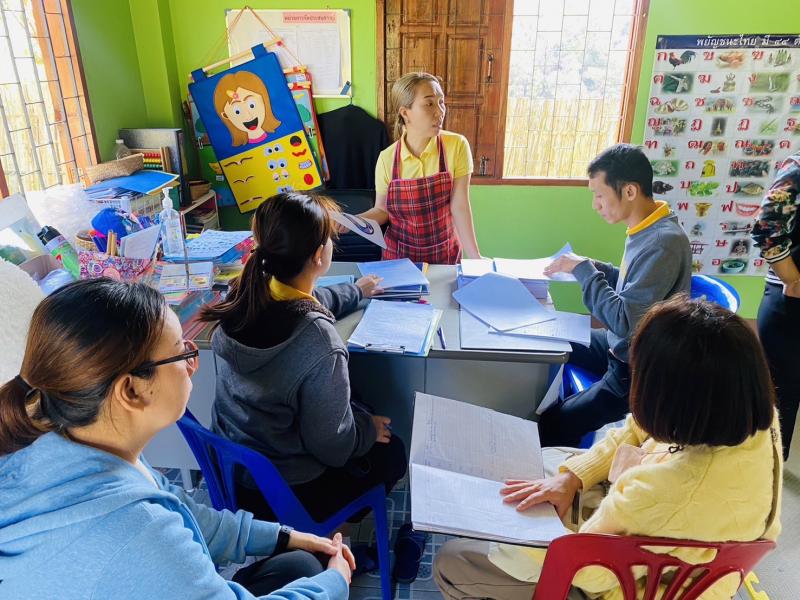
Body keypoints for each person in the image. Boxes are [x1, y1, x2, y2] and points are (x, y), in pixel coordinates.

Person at [0, 278, 353, 600]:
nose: (192, 364)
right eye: (181, 352)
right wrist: (336, 582)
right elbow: (158, 531)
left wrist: (282, 536)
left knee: (299, 564)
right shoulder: (139, 534)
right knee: (313, 573)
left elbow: (180, 508)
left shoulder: (63, 439)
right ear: (131, 390)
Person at [433, 296, 782, 600]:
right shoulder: (744, 413)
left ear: (672, 400)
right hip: (668, 548)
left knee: (453, 561)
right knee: (538, 474)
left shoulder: (668, 487)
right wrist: (572, 478)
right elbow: (636, 429)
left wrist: (539, 529)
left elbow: (590, 573)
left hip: (628, 583)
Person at [199, 192, 407, 523]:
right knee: (393, 452)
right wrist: (366, 428)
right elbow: (334, 448)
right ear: (319, 256)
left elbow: (310, 299)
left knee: (355, 401)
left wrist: (356, 291)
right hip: (286, 495)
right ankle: (327, 538)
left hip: (235, 475)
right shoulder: (319, 341)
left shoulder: (246, 294)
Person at [538, 143, 691, 447]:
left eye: (599, 195)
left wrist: (584, 271)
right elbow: (634, 284)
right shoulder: (648, 228)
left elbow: (624, 321)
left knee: (552, 424)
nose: (596, 205)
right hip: (619, 346)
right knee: (549, 337)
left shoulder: (662, 242)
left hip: (637, 368)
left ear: (630, 191)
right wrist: (596, 267)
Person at [352, 72, 481, 264]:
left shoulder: (456, 146)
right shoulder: (387, 158)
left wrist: (476, 258)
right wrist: (353, 221)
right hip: (399, 259)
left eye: (441, 102)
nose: (440, 111)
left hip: (444, 256)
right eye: (429, 104)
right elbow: (382, 210)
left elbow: (460, 206)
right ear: (405, 112)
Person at [751, 150, 800, 459]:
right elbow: (767, 224)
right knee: (780, 404)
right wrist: (792, 278)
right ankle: (769, 473)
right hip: (790, 308)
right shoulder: (798, 167)